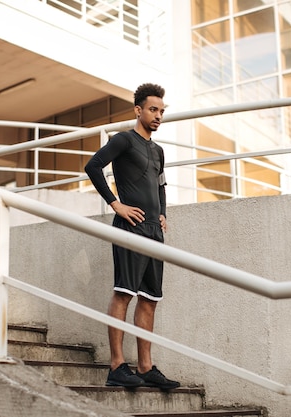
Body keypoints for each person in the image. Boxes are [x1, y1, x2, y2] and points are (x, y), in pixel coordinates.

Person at [84, 83, 180, 390]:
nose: (158, 116)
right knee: (124, 292)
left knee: (150, 299)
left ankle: (145, 366)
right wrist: (116, 205)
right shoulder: (124, 140)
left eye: (162, 111)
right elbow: (93, 166)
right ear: (138, 110)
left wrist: (162, 212)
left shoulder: (158, 151)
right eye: (153, 110)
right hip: (130, 228)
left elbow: (161, 184)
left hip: (154, 230)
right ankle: (116, 366)